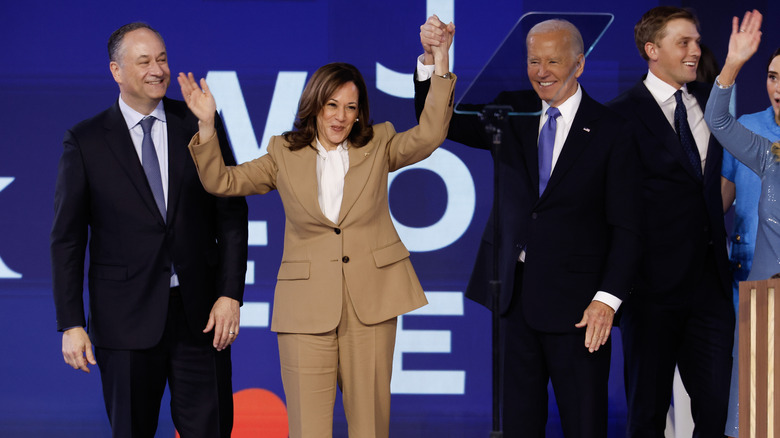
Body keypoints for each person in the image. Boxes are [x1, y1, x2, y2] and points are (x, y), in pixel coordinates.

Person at [177, 16, 455, 438]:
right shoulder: (283, 153)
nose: (341, 117)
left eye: (351, 106)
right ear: (315, 105)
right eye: (332, 105)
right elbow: (222, 181)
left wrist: (440, 60)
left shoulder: (379, 143)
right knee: (308, 428)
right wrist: (207, 126)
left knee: (371, 428)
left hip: (372, 305)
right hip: (305, 310)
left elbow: (432, 133)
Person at [415, 17, 641, 437]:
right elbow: (438, 125)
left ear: (579, 64)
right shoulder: (510, 110)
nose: (541, 71)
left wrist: (607, 301)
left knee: (585, 425)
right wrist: (436, 59)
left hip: (580, 309)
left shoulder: (613, 130)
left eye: (553, 61)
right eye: (533, 60)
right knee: (518, 425)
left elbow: (628, 227)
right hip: (513, 299)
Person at [50, 22, 248, 438]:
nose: (157, 70)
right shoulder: (85, 141)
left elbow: (230, 214)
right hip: (124, 320)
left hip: (201, 318)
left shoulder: (198, 122)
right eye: (144, 61)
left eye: (162, 59)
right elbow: (67, 239)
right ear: (116, 71)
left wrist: (230, 294)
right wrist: (71, 322)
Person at [607, 6, 734, 437]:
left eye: (697, 41)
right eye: (684, 42)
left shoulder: (712, 107)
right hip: (650, 292)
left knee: (716, 412)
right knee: (647, 414)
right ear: (652, 50)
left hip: (710, 288)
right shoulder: (619, 115)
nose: (696, 50)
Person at [719, 44, 780, 438]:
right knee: (757, 413)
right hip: (757, 281)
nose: (778, 87)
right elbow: (720, 200)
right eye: (773, 77)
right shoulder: (757, 137)